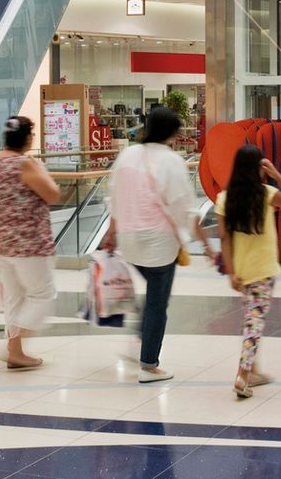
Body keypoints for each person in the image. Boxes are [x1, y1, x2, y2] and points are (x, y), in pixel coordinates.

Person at [106, 105, 214, 381]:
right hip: (159, 243)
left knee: (152, 297)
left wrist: (111, 232)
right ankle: (149, 364)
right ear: (171, 132)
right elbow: (185, 208)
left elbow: (114, 196)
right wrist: (206, 245)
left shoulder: (127, 155)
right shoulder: (171, 161)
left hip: (129, 241)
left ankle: (142, 339)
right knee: (157, 302)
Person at [0, 115, 59, 370]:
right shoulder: (25, 164)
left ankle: (16, 352)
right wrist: (39, 169)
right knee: (43, 294)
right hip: (28, 243)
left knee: (14, 297)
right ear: (28, 138)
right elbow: (52, 194)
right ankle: (12, 345)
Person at [216, 144, 281, 400]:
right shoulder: (266, 193)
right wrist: (276, 174)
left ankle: (253, 370)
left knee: (251, 318)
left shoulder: (225, 198)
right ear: (258, 168)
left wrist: (231, 272)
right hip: (263, 269)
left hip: (242, 270)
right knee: (253, 323)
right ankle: (243, 375)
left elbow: (224, 238)